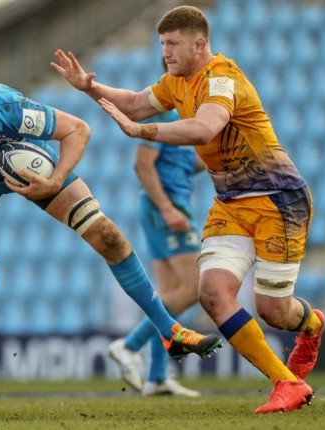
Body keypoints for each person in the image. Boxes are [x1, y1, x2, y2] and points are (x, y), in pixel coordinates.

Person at [52, 5, 325, 414]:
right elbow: (134, 103)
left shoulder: (222, 79)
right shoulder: (175, 83)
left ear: (199, 43)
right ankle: (286, 383)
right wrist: (89, 88)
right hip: (231, 204)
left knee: (275, 312)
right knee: (212, 295)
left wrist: (141, 131)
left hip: (277, 201)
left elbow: (204, 128)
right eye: (162, 44)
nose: (165, 52)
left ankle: (312, 324)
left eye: (172, 43)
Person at [0, 82, 223, 374]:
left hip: (23, 159)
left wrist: (56, 180)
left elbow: (79, 130)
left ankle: (170, 332)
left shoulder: (8, 110)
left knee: (109, 236)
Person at [108, 106, 206, 398]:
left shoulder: (189, 119)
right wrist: (166, 208)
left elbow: (188, 163)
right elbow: (143, 164)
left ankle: (157, 376)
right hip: (167, 207)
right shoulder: (162, 113)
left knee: (170, 292)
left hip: (169, 205)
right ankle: (129, 346)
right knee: (194, 286)